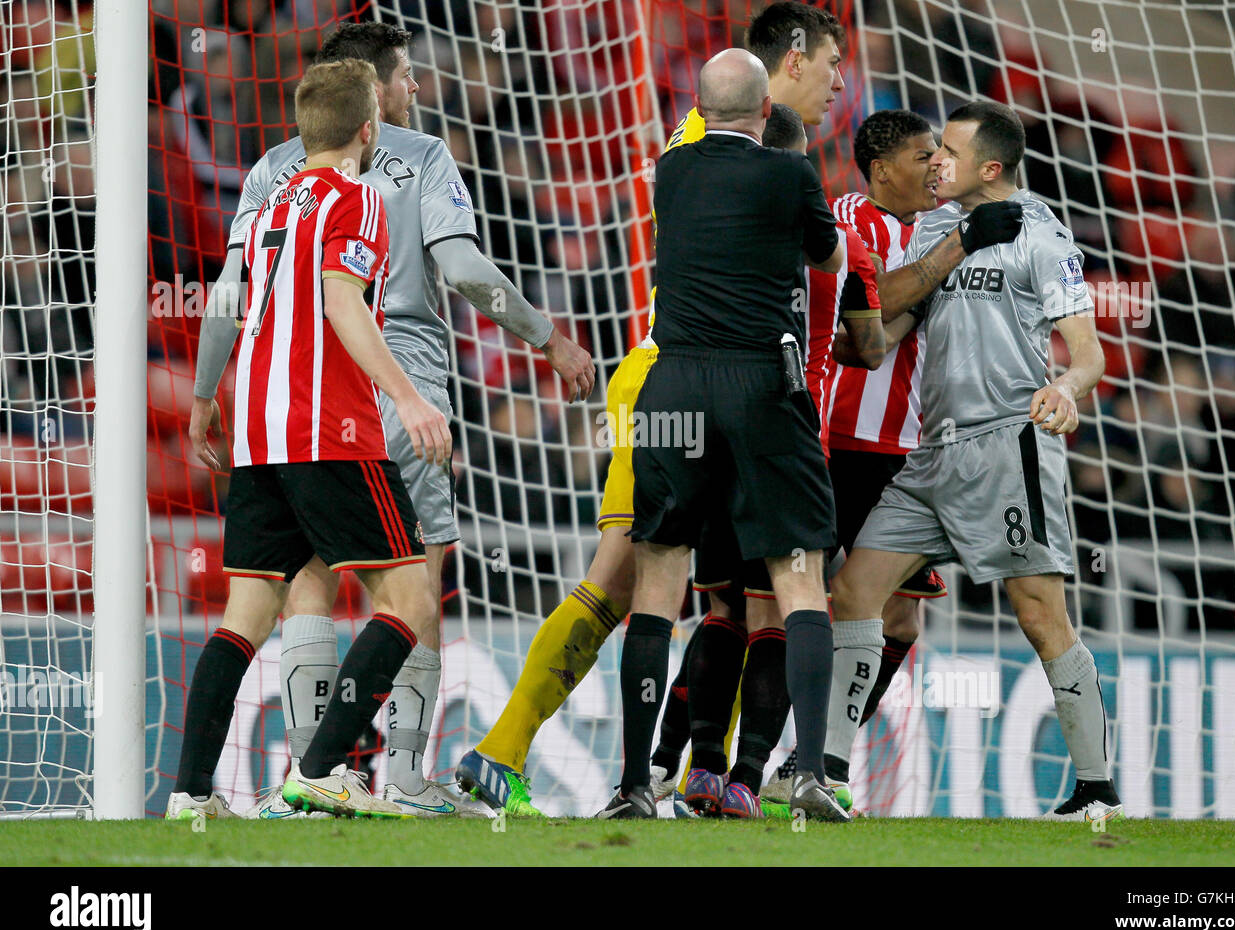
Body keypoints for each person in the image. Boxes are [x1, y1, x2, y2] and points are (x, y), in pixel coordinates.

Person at [457, 0, 1020, 817]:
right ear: (790, 62)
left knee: (723, 592)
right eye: (832, 66)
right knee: (636, 578)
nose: (840, 85)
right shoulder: (725, 149)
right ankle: (505, 753)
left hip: (695, 381)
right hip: (681, 370)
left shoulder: (743, 151)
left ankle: (703, 769)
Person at [187, 23, 594, 819]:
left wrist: (208, 393)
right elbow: (467, 270)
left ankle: (302, 785)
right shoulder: (419, 158)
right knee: (417, 575)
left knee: (302, 581)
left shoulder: (277, 166)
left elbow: (230, 300)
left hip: (283, 394)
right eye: (406, 75)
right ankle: (400, 775)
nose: (417, 89)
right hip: (388, 374)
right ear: (374, 93)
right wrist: (547, 337)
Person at [167, 59, 447, 820]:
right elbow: (340, 303)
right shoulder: (357, 199)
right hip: (329, 427)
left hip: (256, 431)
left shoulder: (264, 210)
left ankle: (190, 795)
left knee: (246, 613)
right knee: (411, 593)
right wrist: (410, 397)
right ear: (369, 129)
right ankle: (323, 767)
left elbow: (225, 301)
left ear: (301, 130)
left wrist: (201, 398)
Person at [830, 100, 1121, 822]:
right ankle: (825, 773)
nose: (935, 163)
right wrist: (864, 335)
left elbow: (1090, 353)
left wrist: (1064, 387)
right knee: (855, 594)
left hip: (1005, 447)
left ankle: (1095, 786)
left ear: (990, 167)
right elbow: (885, 318)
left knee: (1038, 614)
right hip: (931, 454)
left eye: (949, 153)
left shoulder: (1041, 236)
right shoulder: (937, 228)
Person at [596, 47, 851, 821]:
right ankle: (806, 775)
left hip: (672, 386)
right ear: (766, 111)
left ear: (702, 109)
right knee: (798, 576)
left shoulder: (668, 173)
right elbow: (830, 255)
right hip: (760, 386)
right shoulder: (790, 174)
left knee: (660, 578)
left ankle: (637, 783)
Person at [762, 109, 951, 811]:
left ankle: (810, 763)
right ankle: (736, 764)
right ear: (880, 169)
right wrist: (944, 264)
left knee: (901, 623)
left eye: (941, 154)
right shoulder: (847, 218)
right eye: (923, 155)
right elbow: (859, 329)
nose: (937, 166)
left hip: (911, 453)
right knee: (795, 606)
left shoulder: (942, 228)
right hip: (838, 444)